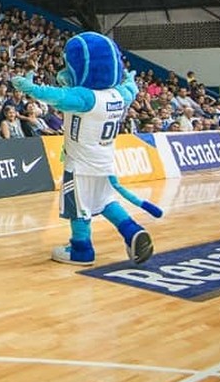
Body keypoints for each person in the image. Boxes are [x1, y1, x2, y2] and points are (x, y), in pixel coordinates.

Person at [13, 32, 161, 266]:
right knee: (105, 202)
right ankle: (133, 232)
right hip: (105, 162)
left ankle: (81, 249)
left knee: (79, 208)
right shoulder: (119, 95)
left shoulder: (84, 98)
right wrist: (130, 78)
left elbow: (51, 95)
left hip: (80, 164)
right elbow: (130, 88)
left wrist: (27, 86)